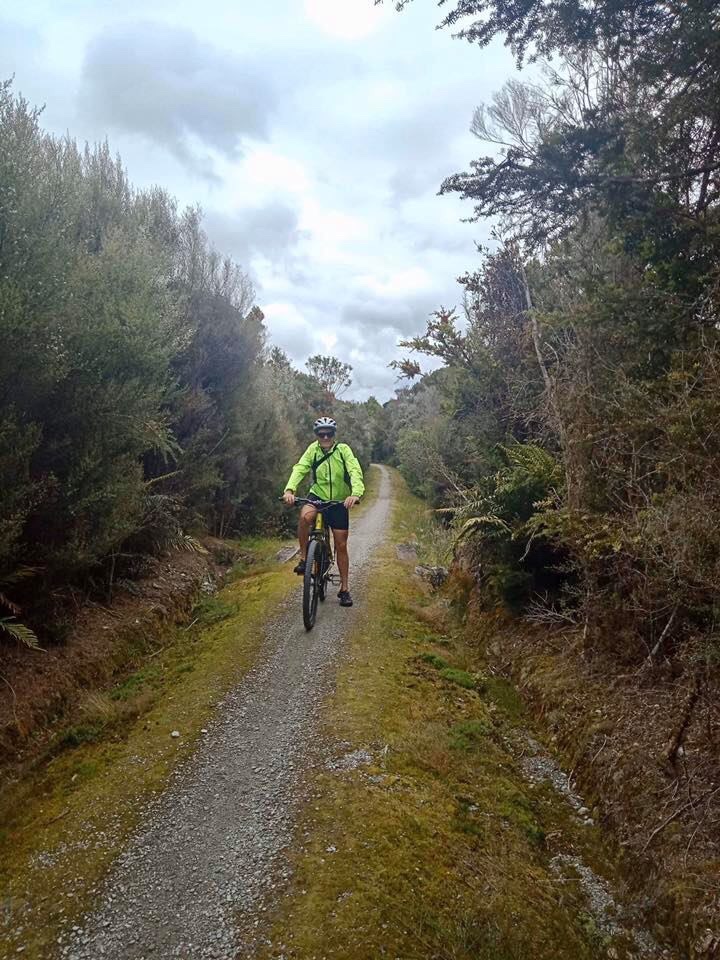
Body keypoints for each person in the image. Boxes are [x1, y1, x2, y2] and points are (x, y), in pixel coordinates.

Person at [283, 417, 364, 607]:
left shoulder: (343, 450)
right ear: (317, 435)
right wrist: (290, 490)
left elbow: (354, 471)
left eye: (329, 433)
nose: (326, 437)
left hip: (338, 501)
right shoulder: (313, 450)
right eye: (322, 433)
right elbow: (300, 468)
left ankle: (344, 589)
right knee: (305, 516)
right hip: (317, 496)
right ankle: (304, 558)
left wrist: (355, 493)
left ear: (334, 435)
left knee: (341, 544)